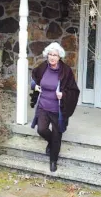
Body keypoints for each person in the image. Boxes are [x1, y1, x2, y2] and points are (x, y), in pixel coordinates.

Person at [30, 42, 80, 172]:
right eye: (50, 54)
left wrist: (63, 94)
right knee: (41, 130)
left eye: (55, 55)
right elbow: (34, 78)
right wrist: (34, 86)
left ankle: (53, 161)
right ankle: (52, 143)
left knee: (57, 135)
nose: (52, 57)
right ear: (47, 55)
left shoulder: (66, 71)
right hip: (43, 106)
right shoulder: (42, 67)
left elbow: (74, 90)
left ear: (59, 57)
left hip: (58, 109)